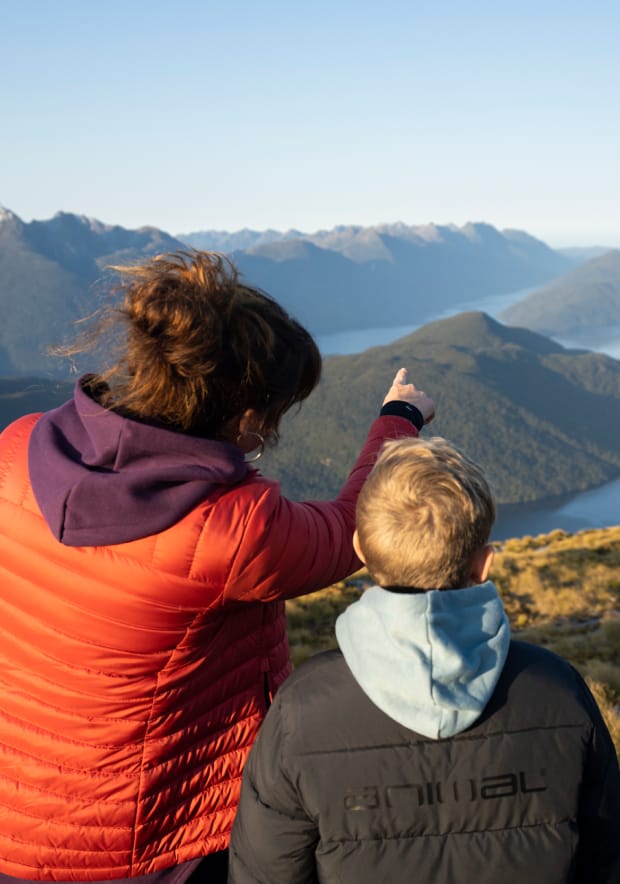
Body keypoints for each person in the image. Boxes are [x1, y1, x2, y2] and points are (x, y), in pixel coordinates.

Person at [0, 251, 435, 884]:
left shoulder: (18, 447)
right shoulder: (231, 529)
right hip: (149, 841)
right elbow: (359, 529)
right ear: (250, 415)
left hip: (18, 815)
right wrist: (400, 421)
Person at [228, 436, 620, 884]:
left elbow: (261, 874)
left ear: (360, 549)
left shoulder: (301, 707)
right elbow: (606, 861)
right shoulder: (560, 693)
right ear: (484, 564)